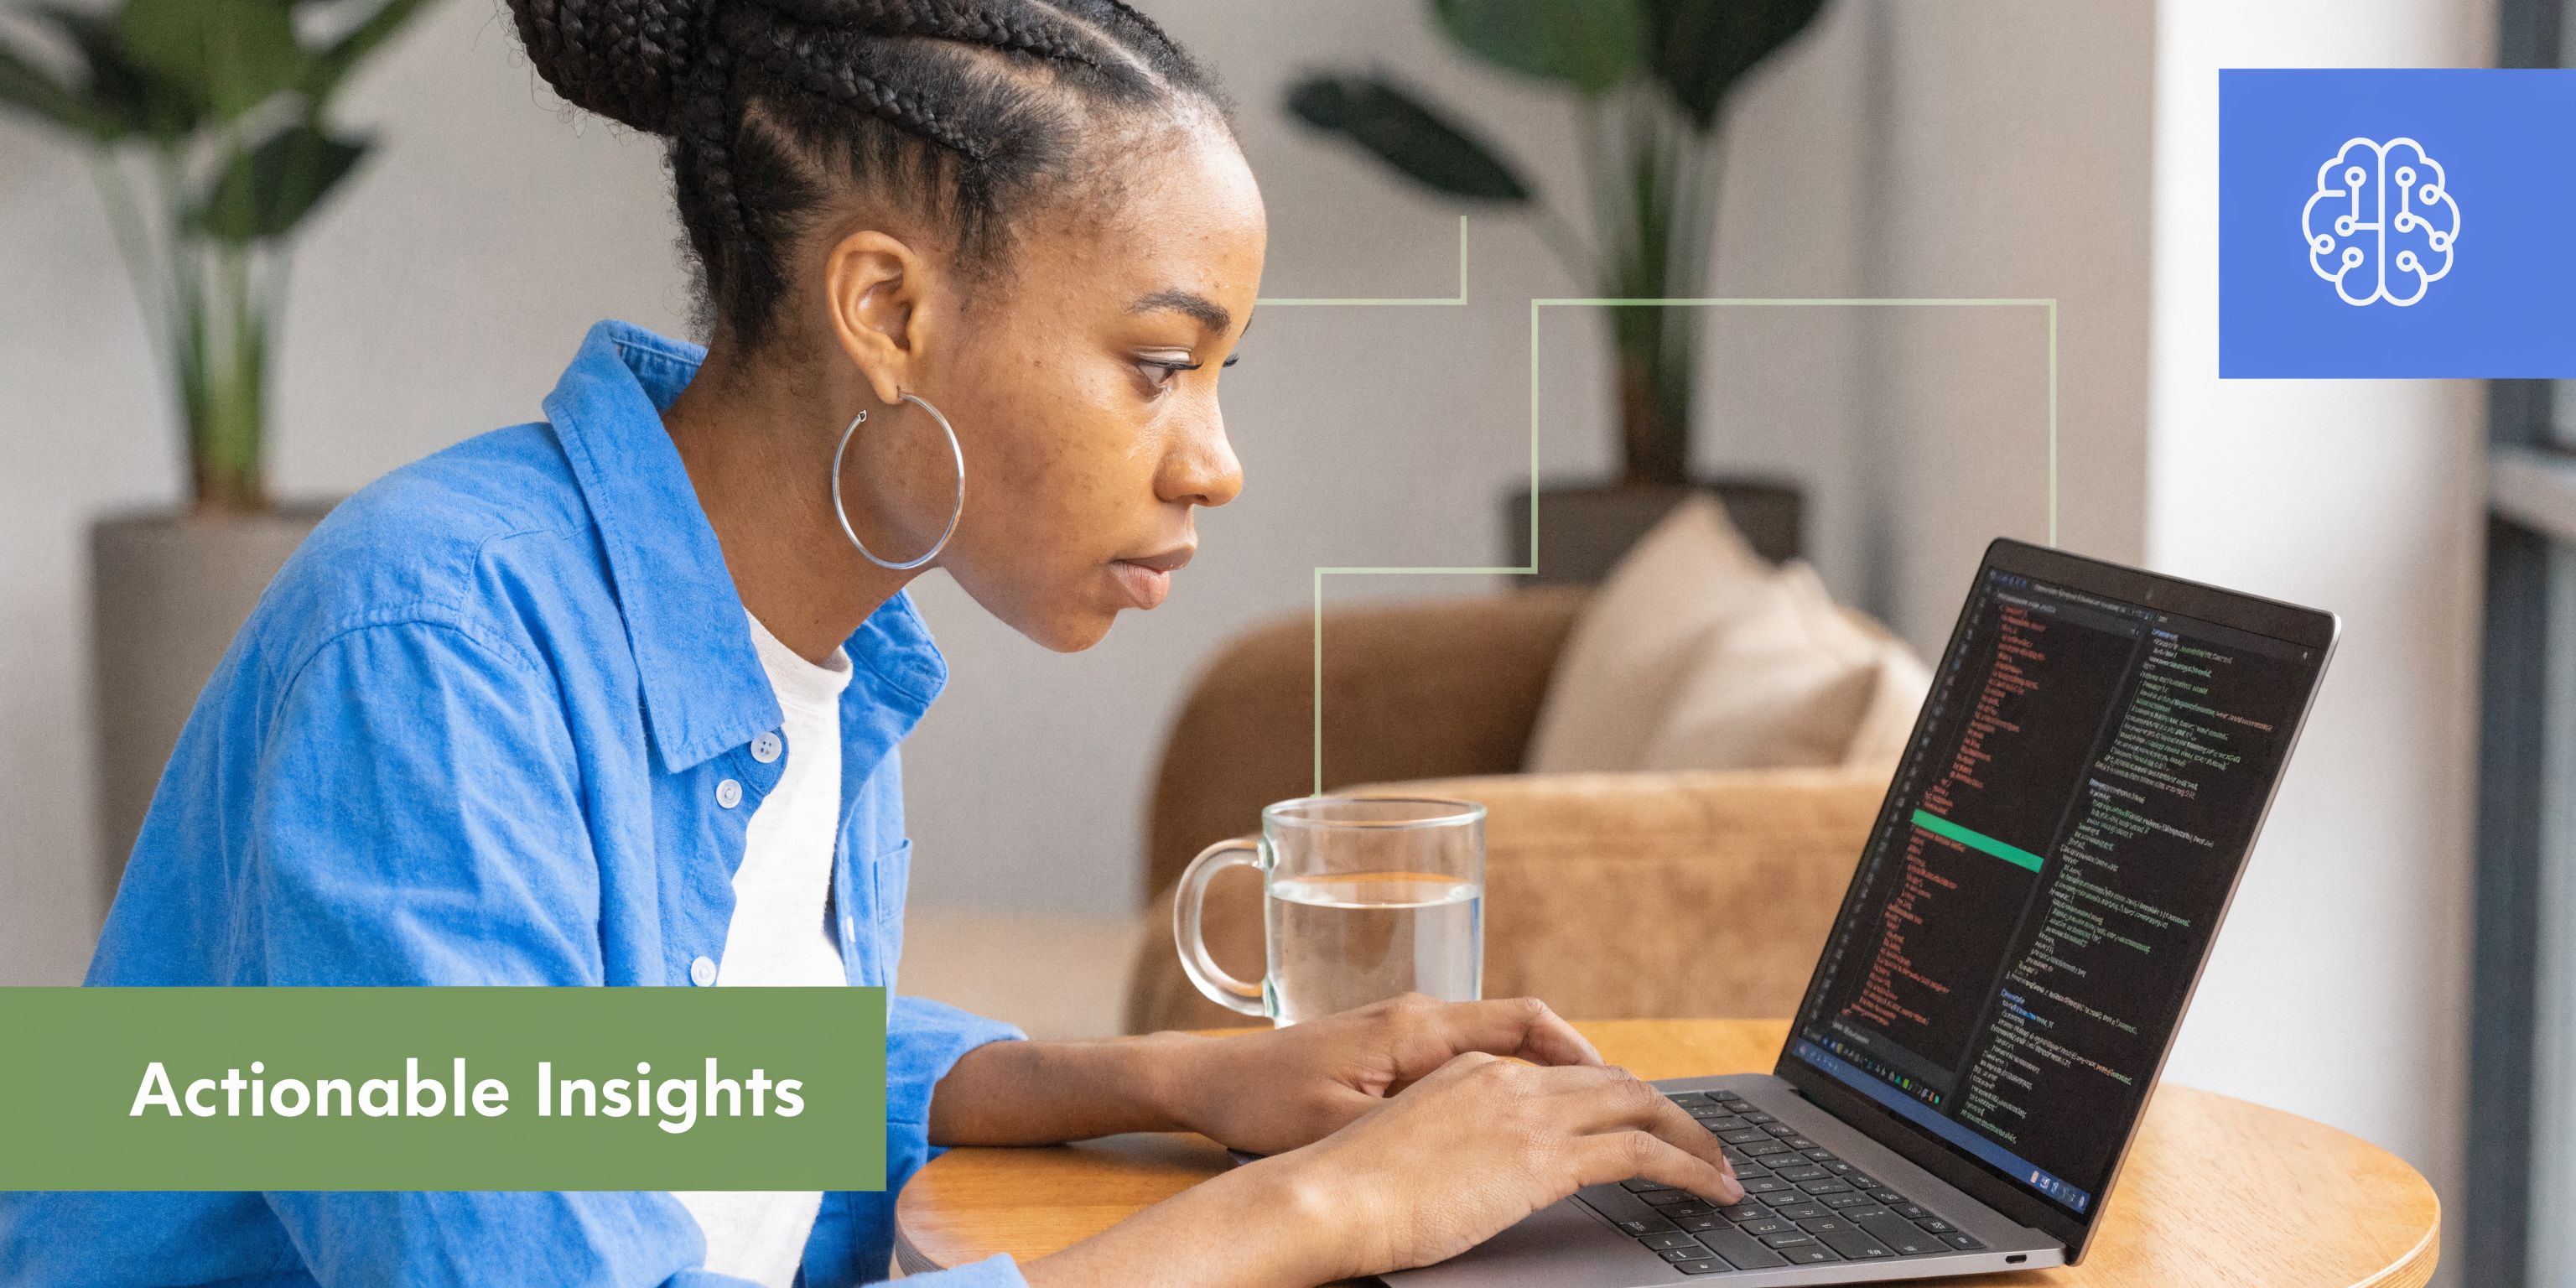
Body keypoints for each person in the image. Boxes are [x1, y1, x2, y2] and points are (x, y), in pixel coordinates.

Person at [0, 2, 1741, 1285]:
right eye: (1157, 362)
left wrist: (1161, 1079)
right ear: (888, 310)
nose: (1214, 461)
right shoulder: (431, 645)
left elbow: (641, 1069)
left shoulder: (827, 649)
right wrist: (1317, 1210)